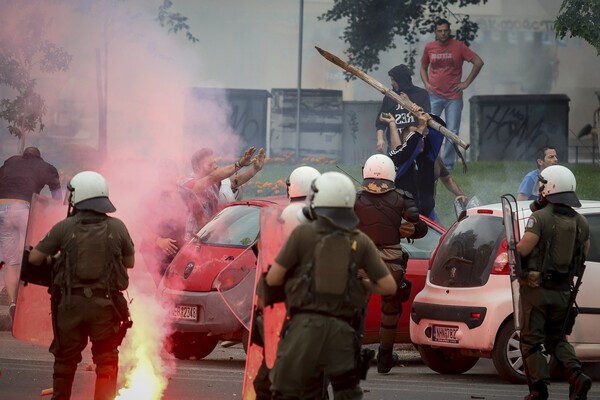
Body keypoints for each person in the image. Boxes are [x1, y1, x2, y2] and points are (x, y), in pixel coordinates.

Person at [263, 171, 397, 399]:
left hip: (303, 330)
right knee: (346, 393)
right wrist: (363, 285)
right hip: (343, 333)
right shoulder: (360, 240)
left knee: (286, 392)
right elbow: (388, 287)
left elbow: (273, 279)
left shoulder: (302, 234)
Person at [27, 171, 135, 400]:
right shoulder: (118, 227)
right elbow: (130, 262)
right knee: (106, 360)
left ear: (80, 196)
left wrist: (56, 260)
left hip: (70, 306)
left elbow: (34, 259)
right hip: (105, 307)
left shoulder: (63, 228)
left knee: (65, 360)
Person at [516, 165, 592, 400]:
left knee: (531, 342)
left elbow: (524, 249)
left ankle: (538, 390)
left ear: (551, 187)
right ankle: (577, 376)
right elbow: (582, 256)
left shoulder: (539, 218)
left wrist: (514, 252)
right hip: (563, 293)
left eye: (542, 184)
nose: (540, 188)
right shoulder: (582, 222)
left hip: (537, 291)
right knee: (557, 339)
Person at [252, 165, 322, 400]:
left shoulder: (279, 217)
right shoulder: (326, 221)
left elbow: (259, 252)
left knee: (267, 382)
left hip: (281, 313)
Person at [353, 154, 426, 374]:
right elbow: (420, 229)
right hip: (392, 265)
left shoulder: (353, 199)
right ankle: (385, 359)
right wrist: (406, 229)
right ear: (391, 173)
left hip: (360, 265)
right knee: (391, 311)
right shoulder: (402, 199)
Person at [0, 146, 62, 322]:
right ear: (39, 157)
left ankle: (12, 302)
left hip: (1, 207)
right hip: (22, 208)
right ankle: (35, 299)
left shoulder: (9, 163)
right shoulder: (45, 167)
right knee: (35, 252)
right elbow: (57, 195)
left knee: (10, 261)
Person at [420, 18, 484, 171]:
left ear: (449, 31)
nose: (443, 33)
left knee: (452, 131)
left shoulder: (459, 46)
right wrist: (426, 83)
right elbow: (423, 67)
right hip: (434, 95)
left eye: (445, 31)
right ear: (435, 32)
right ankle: (431, 161)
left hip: (453, 98)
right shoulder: (429, 47)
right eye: (440, 31)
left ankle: (447, 166)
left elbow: (478, 62)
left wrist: (466, 83)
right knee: (430, 128)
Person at [181, 146, 265, 241]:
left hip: (210, 238)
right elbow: (213, 177)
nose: (215, 166)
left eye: (215, 162)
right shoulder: (189, 184)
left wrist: (254, 169)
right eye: (210, 164)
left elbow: (234, 182)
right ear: (197, 167)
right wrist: (239, 164)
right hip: (193, 241)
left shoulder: (214, 183)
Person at [382, 105, 444, 220]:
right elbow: (408, 151)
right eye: (415, 135)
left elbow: (439, 130)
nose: (421, 138)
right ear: (404, 141)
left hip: (429, 217)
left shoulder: (428, 155)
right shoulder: (395, 158)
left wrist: (426, 115)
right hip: (405, 217)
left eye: (421, 135)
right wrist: (420, 128)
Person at [138, 159, 187, 286]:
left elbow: (200, 218)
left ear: (177, 174)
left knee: (181, 288)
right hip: (155, 251)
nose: (165, 177)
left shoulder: (186, 194)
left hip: (181, 250)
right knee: (164, 288)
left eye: (169, 173)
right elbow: (139, 224)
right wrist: (158, 241)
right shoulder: (150, 196)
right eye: (162, 174)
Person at [376, 64, 430, 153]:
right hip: (394, 146)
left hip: (417, 145)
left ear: (401, 80)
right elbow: (380, 121)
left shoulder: (421, 94)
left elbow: (427, 116)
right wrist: (380, 139)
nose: (391, 83)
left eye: (393, 80)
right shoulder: (389, 97)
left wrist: (412, 105)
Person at [433, 156, 467, 222]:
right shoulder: (408, 159)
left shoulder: (435, 158)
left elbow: (447, 179)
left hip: (429, 212)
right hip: (410, 212)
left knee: (441, 232)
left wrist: (459, 194)